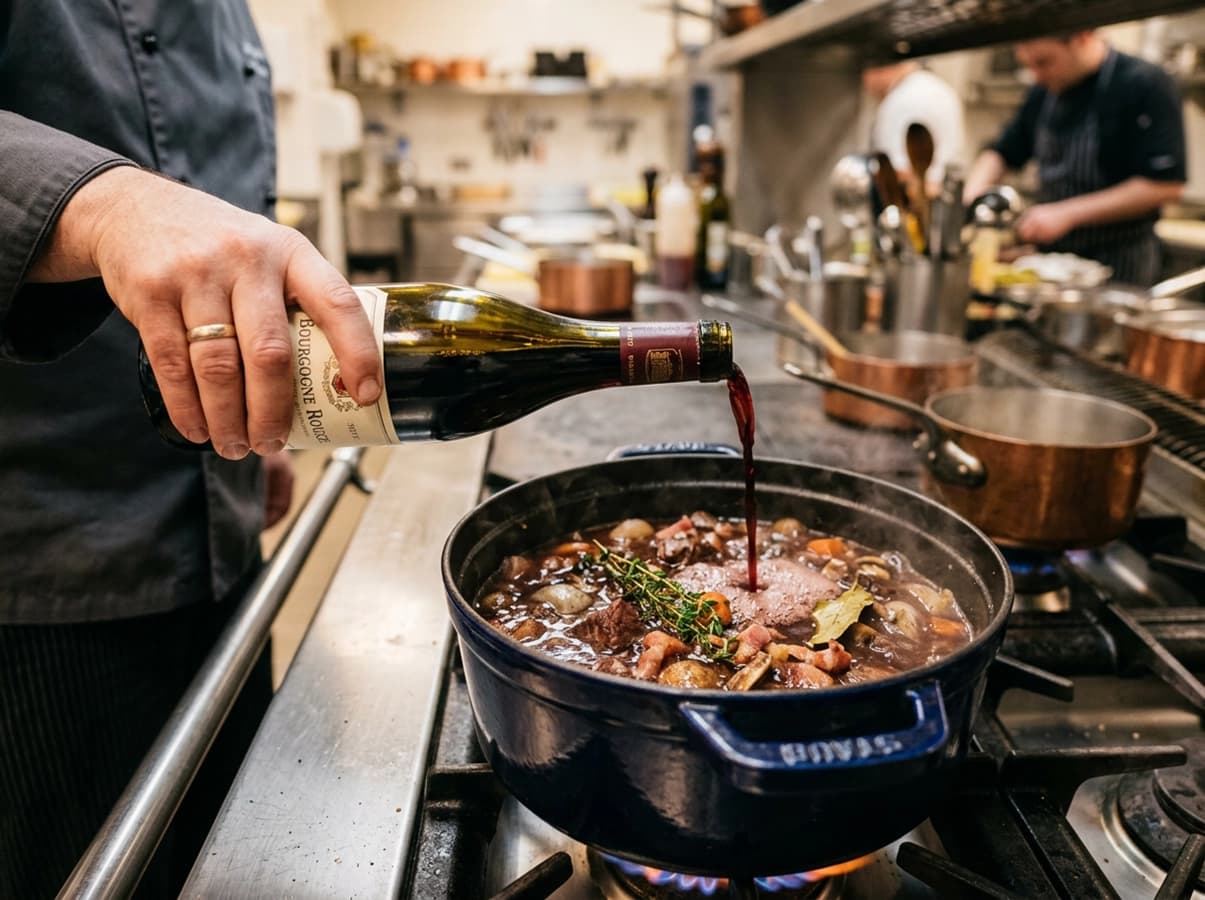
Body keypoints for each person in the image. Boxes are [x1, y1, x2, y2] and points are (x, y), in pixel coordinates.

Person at [0, 2, 380, 897]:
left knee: (229, 863)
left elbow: (221, 206)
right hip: (44, 571)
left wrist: (247, 412)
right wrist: (106, 203)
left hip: (219, 526)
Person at [964, 31, 1187, 285]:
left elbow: (1165, 186)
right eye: (1029, 66)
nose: (1036, 75)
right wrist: (972, 198)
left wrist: (1066, 214)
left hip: (1119, 266)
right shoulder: (1043, 91)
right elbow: (1002, 153)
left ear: (1082, 37)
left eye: (1044, 62)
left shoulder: (1144, 84)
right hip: (1049, 266)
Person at [864, 60, 966, 190]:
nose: (865, 80)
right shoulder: (939, 88)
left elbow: (902, 173)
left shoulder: (901, 99)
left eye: (866, 71)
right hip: (946, 197)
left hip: (917, 203)